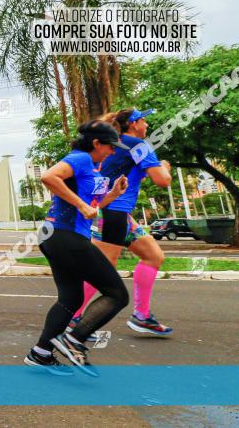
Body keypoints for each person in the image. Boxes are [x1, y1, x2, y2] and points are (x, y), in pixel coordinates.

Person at [24, 120, 131, 376]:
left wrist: (113, 194)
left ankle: (41, 353)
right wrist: (82, 207)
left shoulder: (91, 167)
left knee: (71, 298)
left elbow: (92, 205)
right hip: (65, 235)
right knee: (117, 294)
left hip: (57, 236)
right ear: (96, 143)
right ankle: (74, 339)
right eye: (109, 146)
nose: (112, 151)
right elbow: (49, 177)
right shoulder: (80, 158)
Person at [68, 109, 174, 337]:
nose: (147, 124)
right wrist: (165, 167)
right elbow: (162, 180)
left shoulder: (116, 146)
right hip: (112, 213)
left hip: (118, 214)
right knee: (103, 268)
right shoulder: (137, 145)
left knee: (154, 256)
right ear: (134, 124)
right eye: (144, 120)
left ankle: (142, 316)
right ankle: (72, 318)